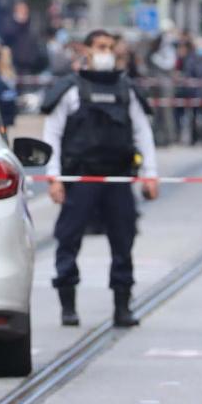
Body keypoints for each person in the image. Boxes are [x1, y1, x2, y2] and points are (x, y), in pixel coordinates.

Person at [43, 29, 159, 329]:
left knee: (124, 240)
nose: (105, 52)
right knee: (68, 239)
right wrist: (54, 178)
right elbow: (52, 135)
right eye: (100, 47)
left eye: (110, 46)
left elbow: (142, 133)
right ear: (87, 51)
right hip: (80, 176)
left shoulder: (126, 89)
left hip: (118, 178)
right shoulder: (71, 89)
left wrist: (150, 175)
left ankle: (122, 306)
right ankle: (68, 305)